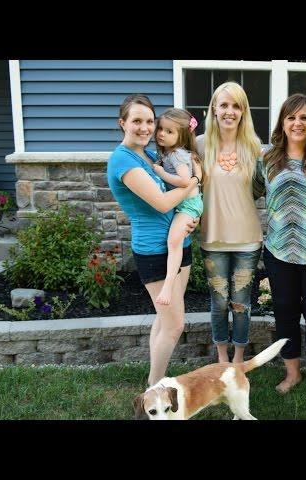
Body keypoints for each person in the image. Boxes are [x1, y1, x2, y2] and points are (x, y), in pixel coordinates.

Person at [107, 94, 201, 386]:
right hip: (155, 251)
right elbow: (161, 202)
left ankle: (153, 381)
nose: (145, 128)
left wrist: (190, 218)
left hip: (177, 245)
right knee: (175, 325)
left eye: (150, 121)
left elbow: (171, 202)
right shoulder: (123, 159)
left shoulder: (145, 155)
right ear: (123, 123)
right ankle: (155, 388)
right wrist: (194, 184)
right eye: (137, 121)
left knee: (163, 320)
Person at [254, 94, 306, 395]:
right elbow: (250, 193)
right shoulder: (267, 159)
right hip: (278, 251)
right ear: (282, 123)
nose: (297, 123)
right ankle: (291, 373)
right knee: (284, 312)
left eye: (304, 118)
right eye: (291, 117)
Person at [196, 82, 263, 364]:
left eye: (236, 106)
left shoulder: (253, 146)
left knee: (241, 301)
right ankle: (222, 358)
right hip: (213, 238)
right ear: (213, 109)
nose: (229, 111)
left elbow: (262, 188)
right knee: (220, 301)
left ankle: (238, 359)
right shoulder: (199, 145)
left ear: (243, 111)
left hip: (248, 239)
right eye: (224, 105)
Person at [151, 108, 204, 306]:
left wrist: (159, 171)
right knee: (174, 242)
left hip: (188, 205)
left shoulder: (177, 154)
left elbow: (183, 181)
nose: (161, 134)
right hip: (187, 203)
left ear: (181, 135)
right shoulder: (170, 153)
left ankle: (168, 284)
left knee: (173, 242)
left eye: (169, 131)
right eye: (161, 129)